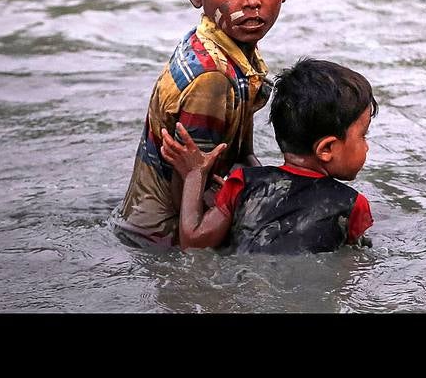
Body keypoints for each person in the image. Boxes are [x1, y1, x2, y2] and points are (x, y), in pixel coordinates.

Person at [112, 0, 294, 247]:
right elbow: (189, 202)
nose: (252, 0)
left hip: (168, 222)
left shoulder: (234, 54)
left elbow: (239, 156)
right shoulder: (211, 79)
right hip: (161, 239)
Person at [158, 58, 378, 254]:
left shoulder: (242, 185)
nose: (367, 147)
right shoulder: (353, 205)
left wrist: (195, 174)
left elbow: (194, 242)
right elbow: (351, 273)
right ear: (326, 149)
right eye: (363, 136)